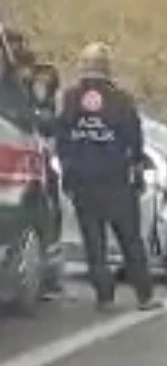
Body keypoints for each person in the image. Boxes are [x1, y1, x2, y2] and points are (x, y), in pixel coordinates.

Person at [54, 43, 160, 311]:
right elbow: (134, 139)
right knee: (130, 240)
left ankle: (105, 297)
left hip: (83, 183)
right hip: (116, 181)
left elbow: (62, 140)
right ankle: (145, 295)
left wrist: (68, 175)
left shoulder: (70, 99)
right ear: (107, 68)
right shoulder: (120, 100)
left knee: (94, 243)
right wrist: (138, 170)